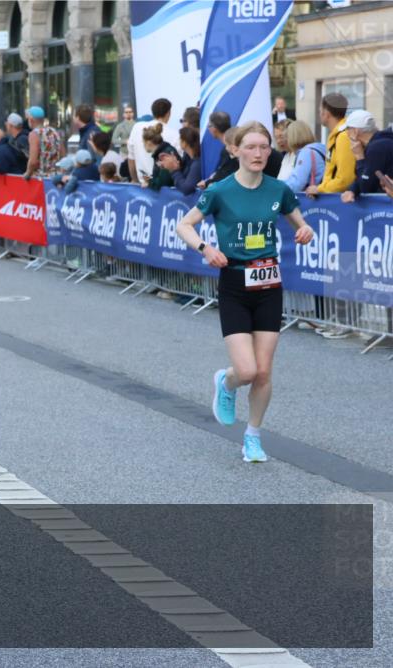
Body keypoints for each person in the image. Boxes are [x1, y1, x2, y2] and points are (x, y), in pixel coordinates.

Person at [176, 121, 314, 463]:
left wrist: (306, 229)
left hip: (269, 285)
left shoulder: (277, 189)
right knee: (247, 371)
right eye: (251, 147)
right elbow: (184, 225)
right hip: (235, 284)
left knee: (264, 372)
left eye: (264, 147)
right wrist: (206, 249)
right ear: (235, 150)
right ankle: (226, 383)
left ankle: (252, 436)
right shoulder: (220, 191)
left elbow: (300, 221)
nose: (259, 153)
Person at [306, 93, 355, 196]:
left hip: (342, 202)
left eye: (320, 111)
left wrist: (320, 189)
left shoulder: (343, 137)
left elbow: (345, 179)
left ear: (326, 114)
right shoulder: (337, 135)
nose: (319, 114)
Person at [339, 109, 393, 202]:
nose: (346, 134)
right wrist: (352, 190)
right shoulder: (381, 142)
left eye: (347, 129)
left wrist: (359, 157)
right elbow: (369, 175)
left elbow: (366, 186)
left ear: (355, 131)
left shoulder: (377, 148)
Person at [127, 98, 178, 183]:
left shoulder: (137, 127)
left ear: (153, 112)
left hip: (142, 185)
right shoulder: (175, 134)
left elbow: (131, 159)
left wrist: (135, 181)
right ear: (168, 113)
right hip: (165, 189)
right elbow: (177, 166)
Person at [283, 120, 326, 193]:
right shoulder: (320, 148)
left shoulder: (305, 153)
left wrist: (276, 188)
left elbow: (297, 184)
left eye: (287, 137)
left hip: (314, 200)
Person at [23, 105, 62, 180]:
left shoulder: (34, 134)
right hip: (56, 176)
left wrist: (28, 173)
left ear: (31, 120)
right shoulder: (54, 131)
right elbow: (62, 153)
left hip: (41, 178)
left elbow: (33, 161)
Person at [161, 126, 202, 195]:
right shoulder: (188, 158)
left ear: (184, 142)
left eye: (179, 139)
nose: (178, 141)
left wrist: (174, 170)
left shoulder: (197, 164)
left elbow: (187, 188)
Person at [141, 124, 178, 191]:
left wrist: (149, 183)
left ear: (149, 143)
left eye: (143, 142)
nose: (143, 145)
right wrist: (151, 179)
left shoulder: (164, 154)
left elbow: (163, 182)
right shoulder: (159, 153)